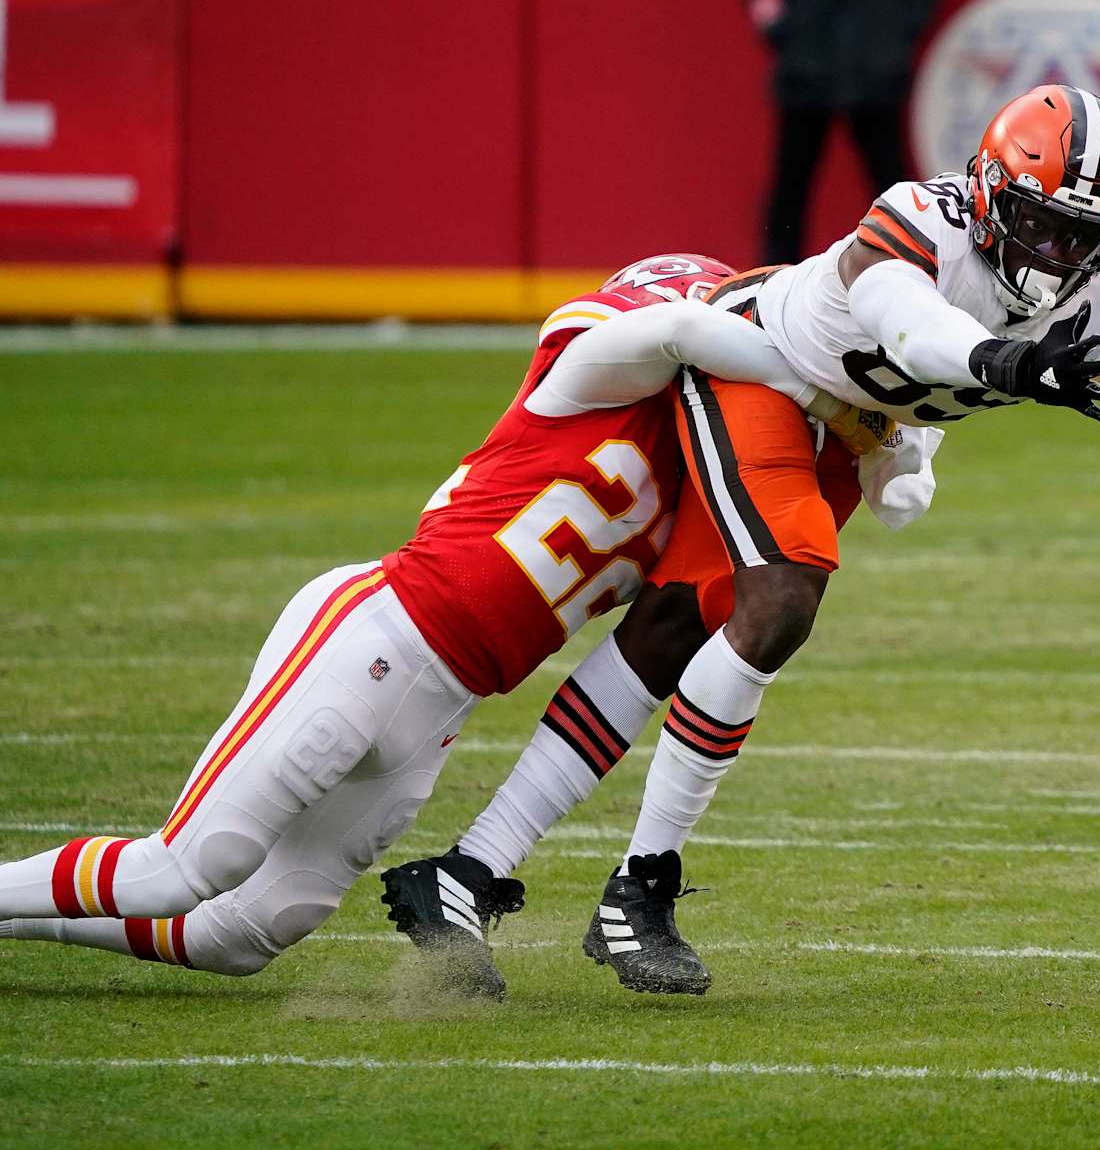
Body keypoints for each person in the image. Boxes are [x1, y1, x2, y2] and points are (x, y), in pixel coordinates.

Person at [387, 84, 1100, 998]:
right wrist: (1009, 362)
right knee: (783, 597)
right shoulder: (917, 220)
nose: (1054, 259)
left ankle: (466, 870)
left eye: (1077, 237)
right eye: (1035, 225)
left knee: (675, 628)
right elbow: (916, 333)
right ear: (983, 189)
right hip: (758, 367)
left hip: (851, 434)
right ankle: (641, 888)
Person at [0, 254, 835, 993]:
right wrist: (813, 365)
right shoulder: (584, 369)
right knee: (186, 867)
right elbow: (683, 328)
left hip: (442, 707)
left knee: (246, 931)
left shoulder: (703, 466)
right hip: (380, 636)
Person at [745, 0, 944, 264]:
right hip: (806, 63)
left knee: (894, 186)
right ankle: (770, 283)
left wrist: (901, 25)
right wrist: (781, 23)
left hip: (874, 65)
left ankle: (915, 269)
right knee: (790, 186)